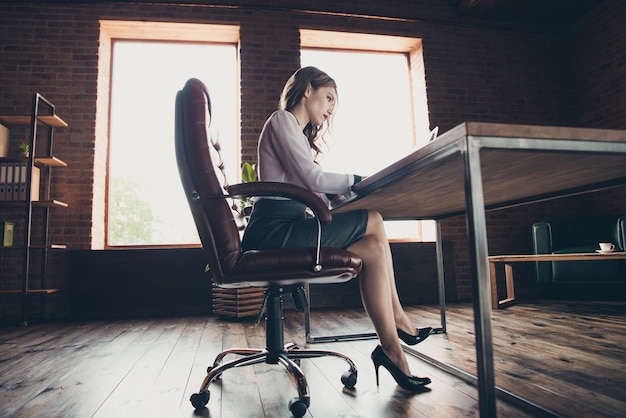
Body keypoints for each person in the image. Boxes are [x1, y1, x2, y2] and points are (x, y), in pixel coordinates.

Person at [241, 66, 432, 390]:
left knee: (371, 248)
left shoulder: (297, 137)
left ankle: (391, 350)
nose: (330, 109)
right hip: (274, 232)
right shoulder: (282, 120)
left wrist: (348, 192)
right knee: (374, 219)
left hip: (288, 228)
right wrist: (358, 180)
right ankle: (399, 319)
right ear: (307, 90)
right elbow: (313, 179)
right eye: (328, 97)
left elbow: (316, 194)